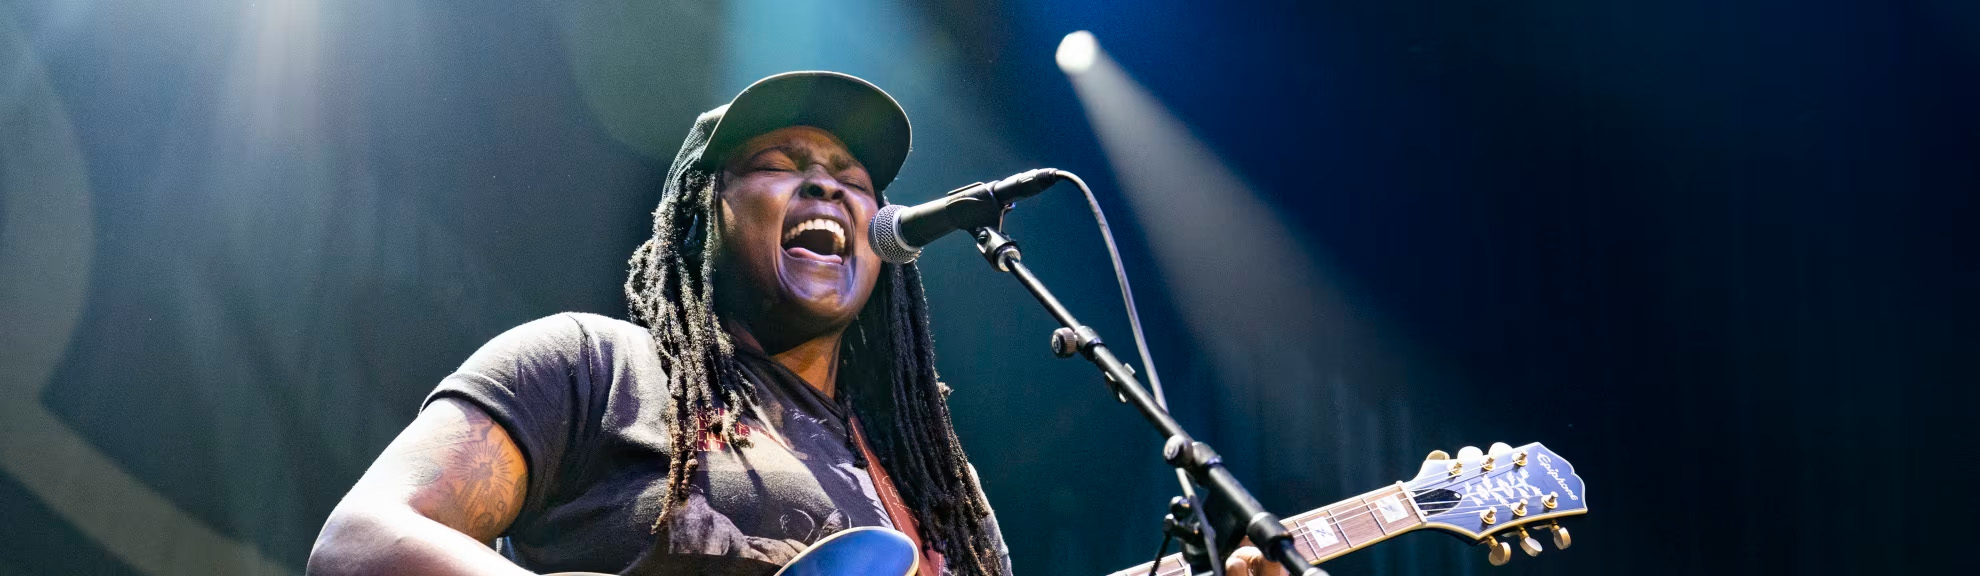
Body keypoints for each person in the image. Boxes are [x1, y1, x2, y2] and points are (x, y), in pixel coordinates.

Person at [305, 71, 1287, 576]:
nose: (827, 185)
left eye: (854, 179)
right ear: (705, 213)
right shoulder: (590, 366)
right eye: (781, 164)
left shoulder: (938, 490)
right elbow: (362, 546)